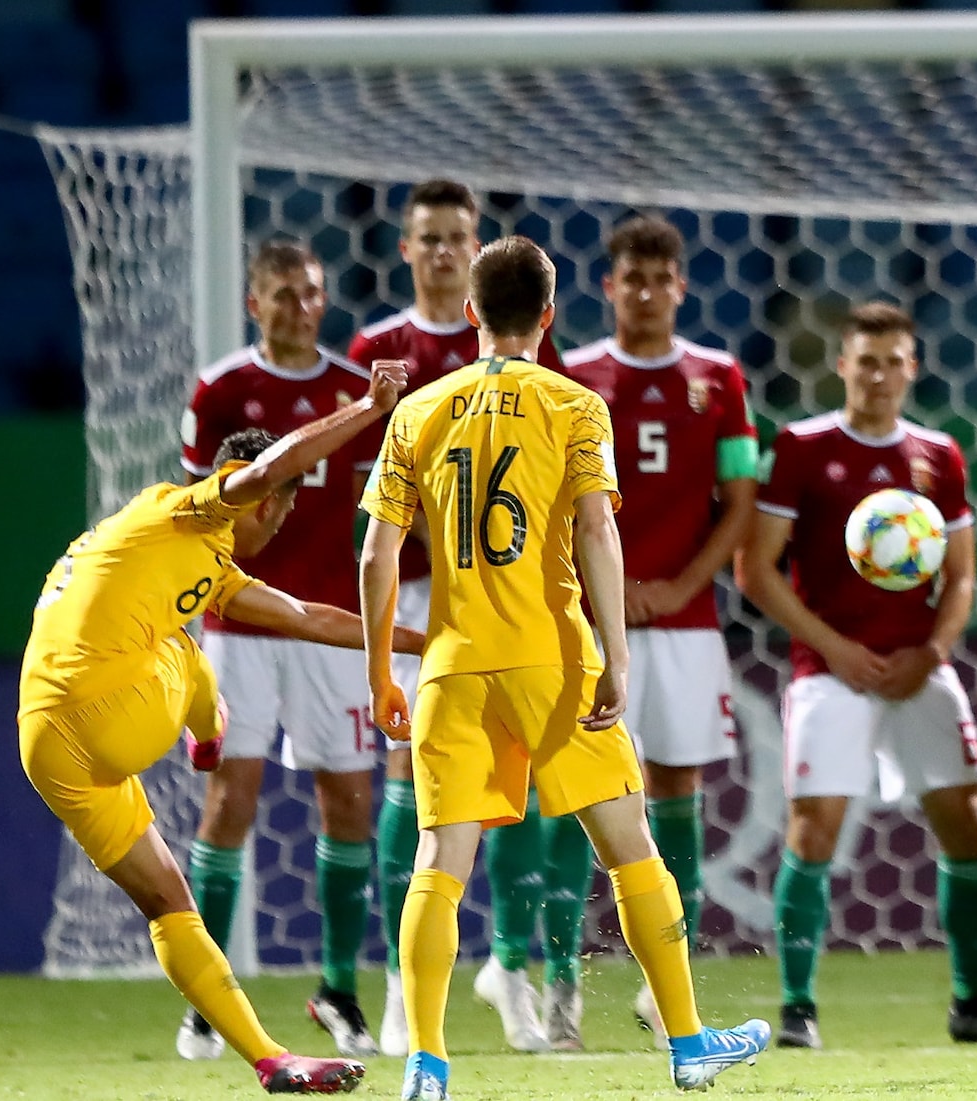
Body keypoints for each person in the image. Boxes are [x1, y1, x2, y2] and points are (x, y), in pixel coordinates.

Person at [358, 236, 767, 1099]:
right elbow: (596, 530)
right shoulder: (577, 406)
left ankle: (426, 1062)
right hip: (554, 661)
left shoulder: (416, 413)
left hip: (455, 666)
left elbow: (377, 557)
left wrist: (379, 676)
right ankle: (689, 1043)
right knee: (630, 851)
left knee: (440, 859)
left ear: (470, 313)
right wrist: (617, 655)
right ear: (549, 315)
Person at [19, 361, 422, 1094]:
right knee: (184, 647)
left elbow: (310, 618)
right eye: (281, 508)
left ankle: (270, 1058)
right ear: (260, 499)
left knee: (170, 902)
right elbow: (269, 465)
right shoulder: (187, 508)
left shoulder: (197, 562)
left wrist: (428, 640)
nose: (279, 520)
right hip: (104, 710)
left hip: (48, 743)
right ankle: (209, 729)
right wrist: (368, 407)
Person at [741, 301, 977, 1050]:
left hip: (915, 666)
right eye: (864, 360)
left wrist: (932, 653)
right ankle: (797, 1010)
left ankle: (973, 1001)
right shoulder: (803, 447)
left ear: (913, 367)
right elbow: (756, 568)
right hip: (830, 671)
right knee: (815, 829)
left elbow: (962, 577)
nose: (878, 374)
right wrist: (833, 647)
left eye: (892, 360)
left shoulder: (939, 455)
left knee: (968, 822)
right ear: (842, 366)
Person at [348, 178, 569, 1056]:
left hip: (510, 588)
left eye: (457, 236)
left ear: (475, 251)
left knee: (517, 782)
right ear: (406, 248)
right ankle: (406, 987)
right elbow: (374, 495)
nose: (442, 249)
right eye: (428, 236)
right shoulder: (378, 348)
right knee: (413, 775)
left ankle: (509, 965)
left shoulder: (522, 348)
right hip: (418, 588)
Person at [178, 240, 383, 1060]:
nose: (303, 306)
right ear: (254, 304)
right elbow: (195, 512)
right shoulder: (222, 390)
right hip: (241, 626)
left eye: (313, 291)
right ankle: (206, 998)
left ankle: (339, 989)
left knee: (349, 801)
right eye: (285, 294)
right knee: (231, 799)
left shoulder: (353, 391)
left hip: (330, 626)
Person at [563, 214, 759, 1047]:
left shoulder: (721, 380)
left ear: (681, 286)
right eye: (630, 279)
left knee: (676, 790)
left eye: (659, 279)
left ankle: (664, 983)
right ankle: (557, 976)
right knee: (580, 794)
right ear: (608, 288)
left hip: (683, 621)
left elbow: (741, 501)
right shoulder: (570, 377)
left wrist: (681, 581)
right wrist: (609, 593)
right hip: (590, 623)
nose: (644, 293)